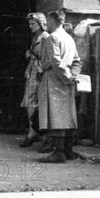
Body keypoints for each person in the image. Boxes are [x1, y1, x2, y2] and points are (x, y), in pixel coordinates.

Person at [37, 11, 82, 163]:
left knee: (55, 116)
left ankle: (59, 153)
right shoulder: (69, 38)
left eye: (47, 21)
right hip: (67, 81)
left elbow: (55, 61)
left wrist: (67, 77)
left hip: (55, 80)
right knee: (67, 116)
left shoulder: (52, 38)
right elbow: (76, 60)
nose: (46, 25)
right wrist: (73, 76)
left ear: (51, 21)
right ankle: (68, 151)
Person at [19, 12, 50, 148]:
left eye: (33, 24)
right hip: (32, 71)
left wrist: (33, 55)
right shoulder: (35, 37)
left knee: (34, 101)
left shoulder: (45, 38)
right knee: (30, 101)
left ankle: (34, 132)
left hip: (39, 72)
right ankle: (34, 131)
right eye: (29, 24)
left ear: (41, 24)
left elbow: (47, 56)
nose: (30, 26)